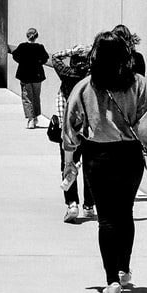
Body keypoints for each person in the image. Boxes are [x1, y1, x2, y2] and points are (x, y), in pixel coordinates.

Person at [62, 32, 147, 293]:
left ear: (95, 56)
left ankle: (112, 282)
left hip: (98, 157)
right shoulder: (139, 85)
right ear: (124, 56)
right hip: (130, 157)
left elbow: (70, 129)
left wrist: (68, 164)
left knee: (106, 219)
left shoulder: (84, 87)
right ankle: (124, 269)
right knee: (125, 213)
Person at [51, 45, 95, 222]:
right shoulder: (91, 78)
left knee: (68, 164)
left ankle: (72, 203)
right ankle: (89, 205)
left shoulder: (67, 74)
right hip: (89, 129)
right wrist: (90, 50)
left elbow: (55, 57)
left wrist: (70, 51)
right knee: (90, 168)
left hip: (69, 129)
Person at [8, 28, 49, 128]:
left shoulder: (22, 47)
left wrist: (23, 62)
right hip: (37, 75)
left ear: (27, 35)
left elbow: (15, 56)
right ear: (36, 36)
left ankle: (31, 119)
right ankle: (35, 117)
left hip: (25, 75)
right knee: (36, 96)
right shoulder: (40, 47)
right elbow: (45, 58)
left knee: (27, 97)